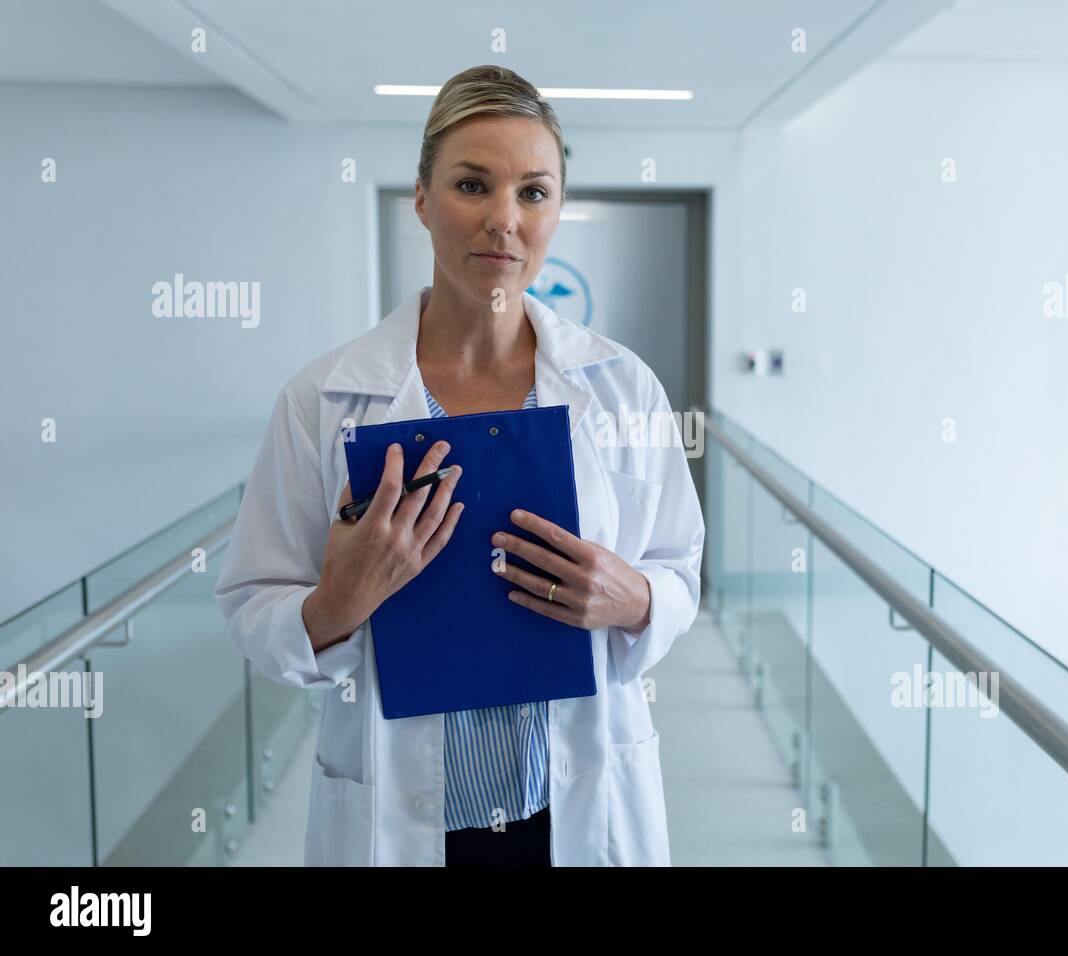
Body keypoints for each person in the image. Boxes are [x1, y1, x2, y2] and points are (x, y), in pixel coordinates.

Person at [213, 64, 705, 867]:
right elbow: (251, 606)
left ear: (557, 209)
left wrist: (636, 597)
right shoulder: (323, 401)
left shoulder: (622, 388)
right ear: (421, 199)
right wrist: (337, 603)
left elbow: (680, 568)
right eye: (473, 185)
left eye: (534, 192)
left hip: (572, 805)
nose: (504, 222)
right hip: (405, 819)